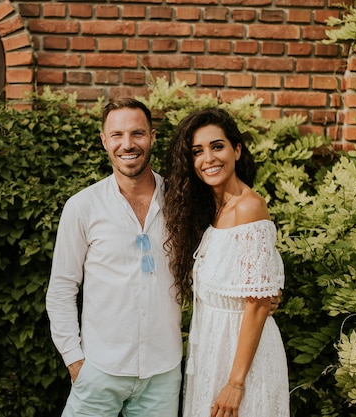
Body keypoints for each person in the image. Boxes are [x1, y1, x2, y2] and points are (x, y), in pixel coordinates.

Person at [46, 98, 183, 417]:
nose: (127, 144)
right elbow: (62, 289)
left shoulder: (180, 200)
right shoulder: (82, 207)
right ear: (104, 140)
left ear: (152, 137)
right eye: (117, 135)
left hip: (162, 372)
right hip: (99, 369)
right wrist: (75, 360)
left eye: (137, 133)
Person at [163, 107, 289, 417]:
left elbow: (258, 303)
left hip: (243, 361)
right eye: (197, 151)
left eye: (217, 146)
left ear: (237, 149)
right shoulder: (211, 212)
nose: (209, 158)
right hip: (211, 350)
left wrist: (235, 383)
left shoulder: (250, 207)